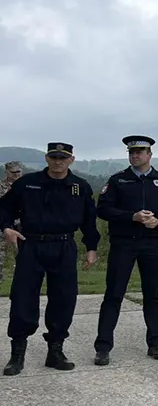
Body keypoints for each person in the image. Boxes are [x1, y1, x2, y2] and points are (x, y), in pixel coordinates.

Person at [1, 143, 100, 376]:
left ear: (71, 160)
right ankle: (17, 354)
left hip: (64, 246)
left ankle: (55, 351)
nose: (58, 161)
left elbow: (89, 220)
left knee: (64, 299)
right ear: (46, 158)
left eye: (63, 158)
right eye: (53, 157)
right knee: (23, 297)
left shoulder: (79, 187)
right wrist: (6, 228)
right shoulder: (26, 184)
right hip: (31, 244)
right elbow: (4, 209)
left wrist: (92, 248)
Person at [94, 135, 158, 365]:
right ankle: (103, 347)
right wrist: (130, 217)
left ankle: (155, 344)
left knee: (152, 296)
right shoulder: (117, 180)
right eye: (131, 153)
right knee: (114, 295)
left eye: (139, 152)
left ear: (149, 155)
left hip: (152, 245)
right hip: (123, 244)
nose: (135, 156)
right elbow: (103, 209)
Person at [0, 160, 24, 287]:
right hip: (3, 227)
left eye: (18, 172)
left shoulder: (27, 186)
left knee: (23, 258)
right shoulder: (1, 186)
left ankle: (22, 284)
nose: (16, 175)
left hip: (22, 227)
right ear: (7, 172)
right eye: (13, 172)